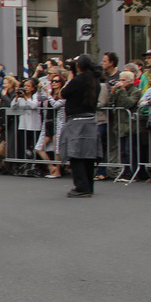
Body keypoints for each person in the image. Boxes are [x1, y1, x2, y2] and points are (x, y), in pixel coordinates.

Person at [58, 55, 102, 198]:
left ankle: (81, 186)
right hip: (90, 120)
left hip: (76, 121)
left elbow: (62, 94)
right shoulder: (95, 81)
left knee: (75, 154)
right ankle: (88, 185)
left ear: (78, 66)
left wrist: (70, 77)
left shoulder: (76, 81)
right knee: (88, 155)